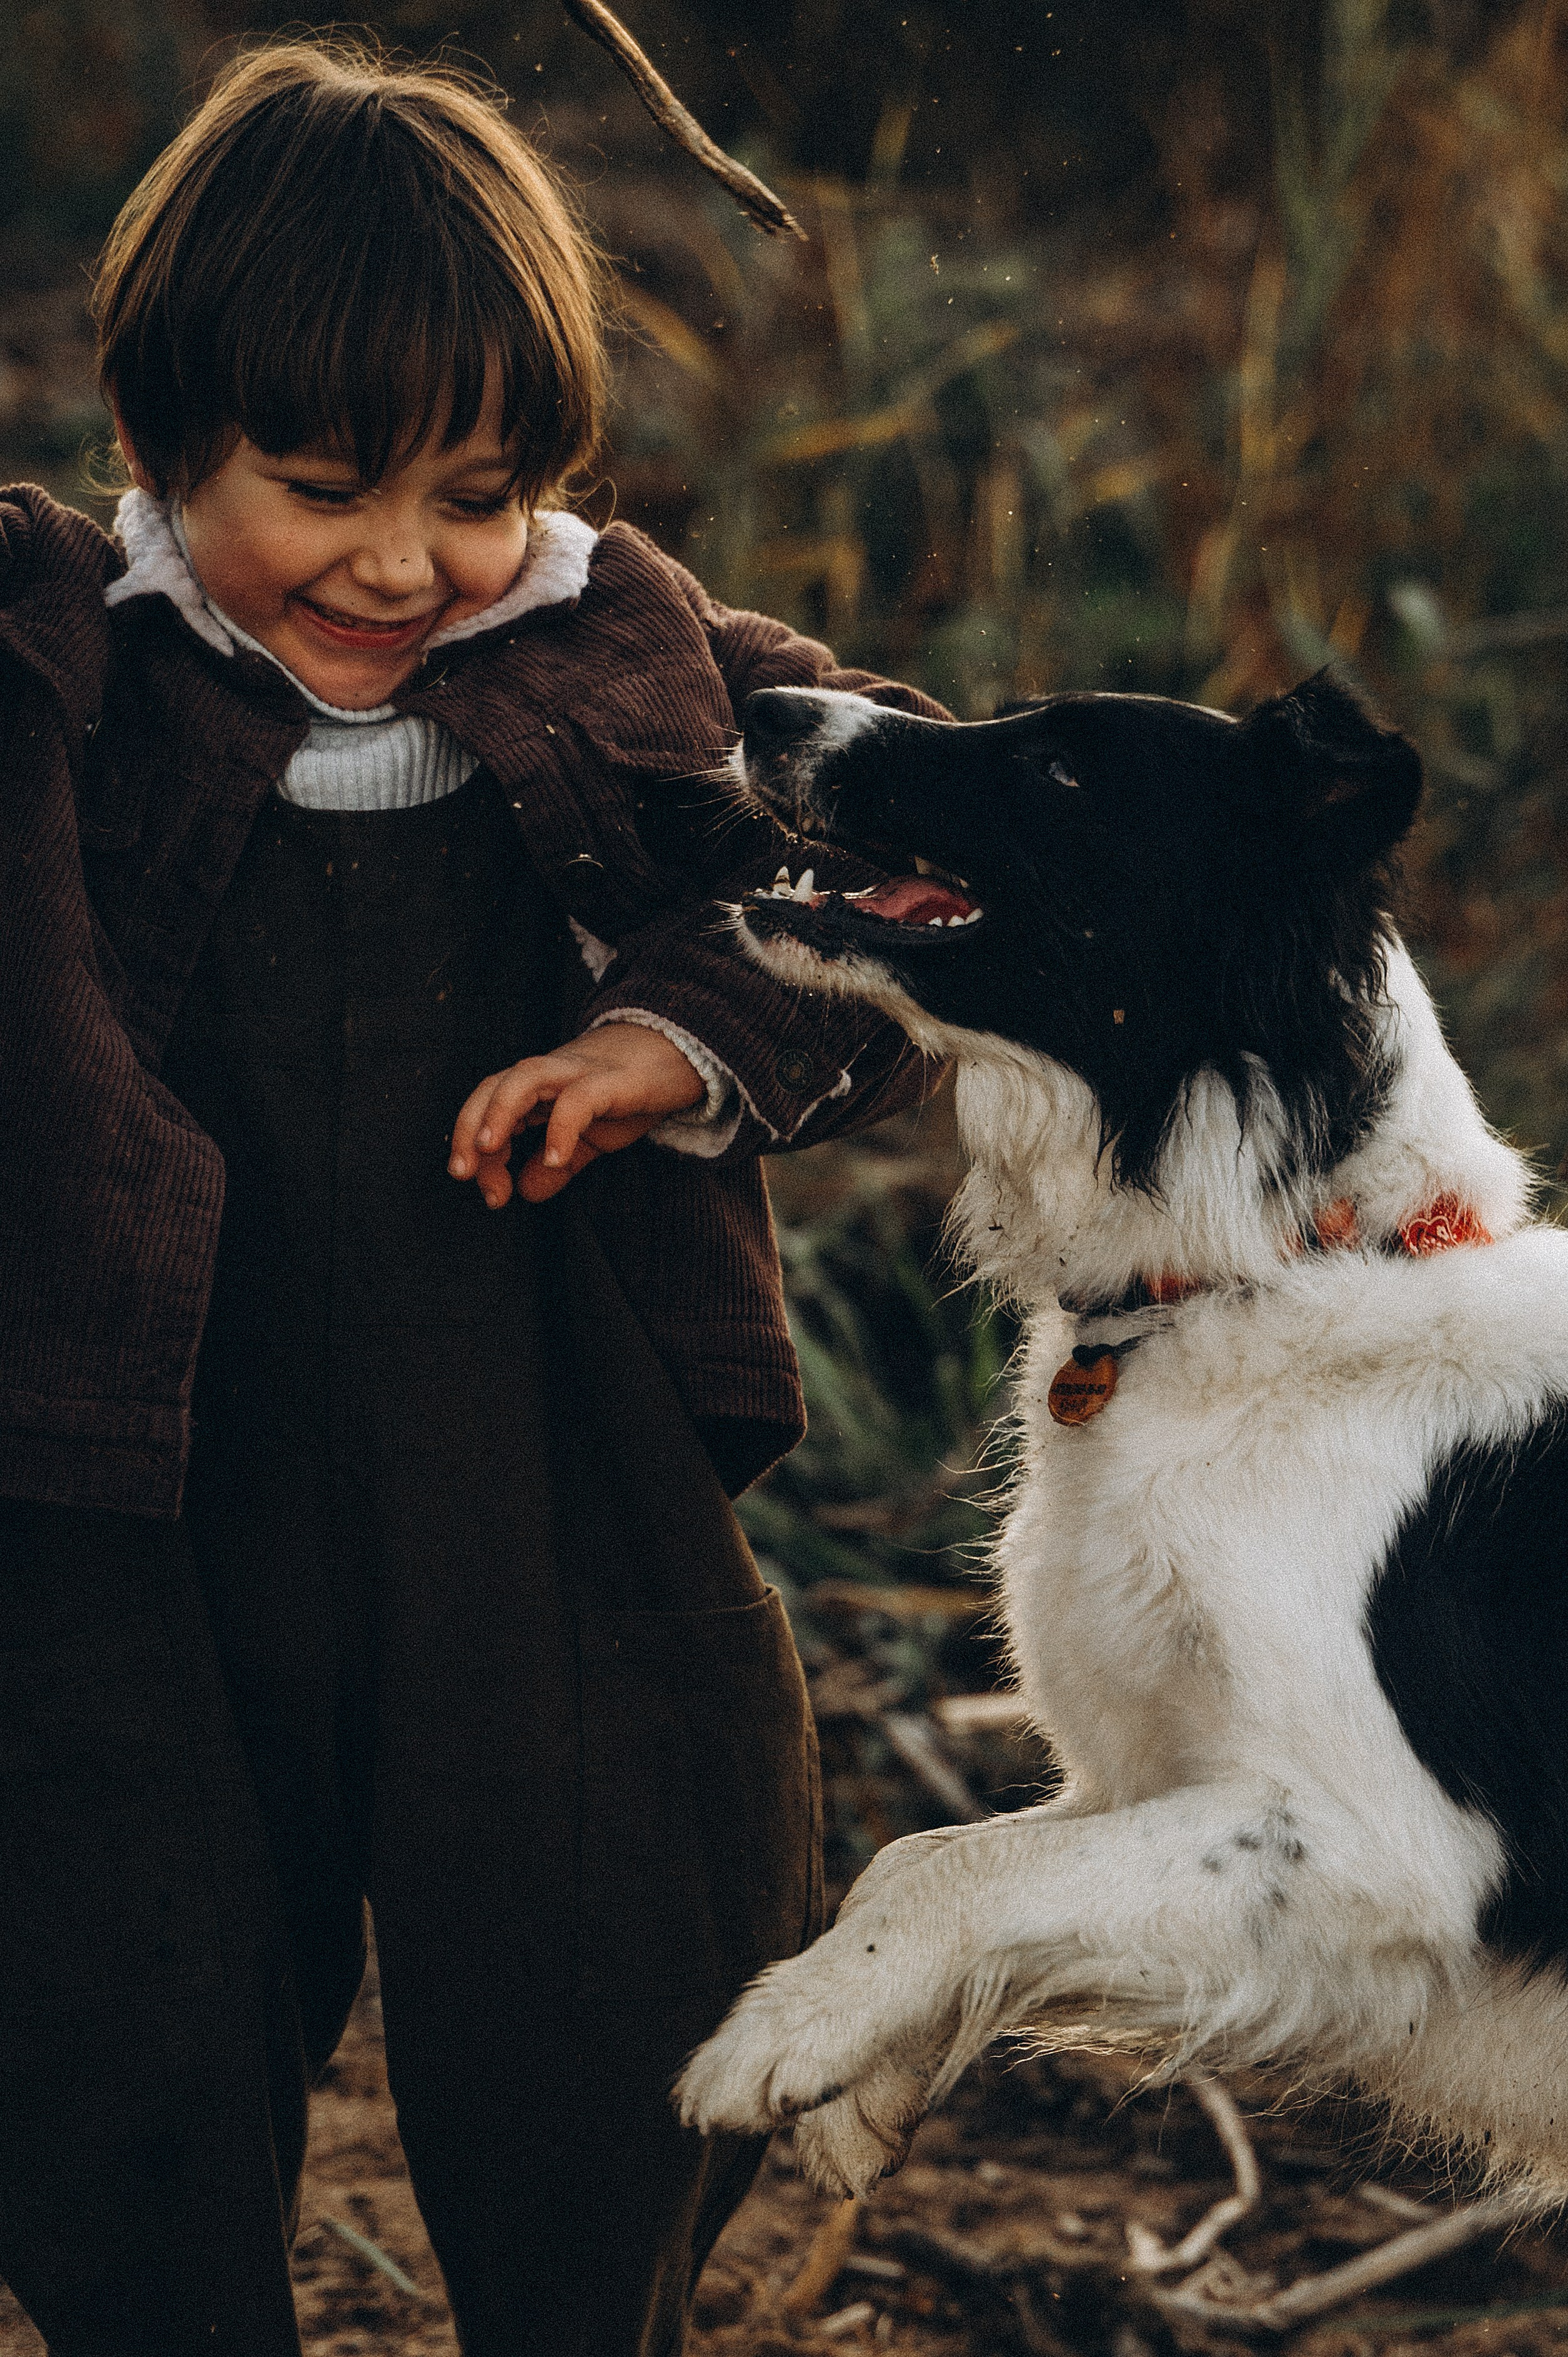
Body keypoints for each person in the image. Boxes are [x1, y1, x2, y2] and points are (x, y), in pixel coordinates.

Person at [0, 38, 945, 2356]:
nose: (405, 565)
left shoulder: (630, 660)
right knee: (113, 1988)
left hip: (541, 1438)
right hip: (140, 1475)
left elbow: (922, 883)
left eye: (483, 492)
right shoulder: (63, 674)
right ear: (152, 449)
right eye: (322, 492)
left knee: (624, 1941)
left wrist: (677, 1038)